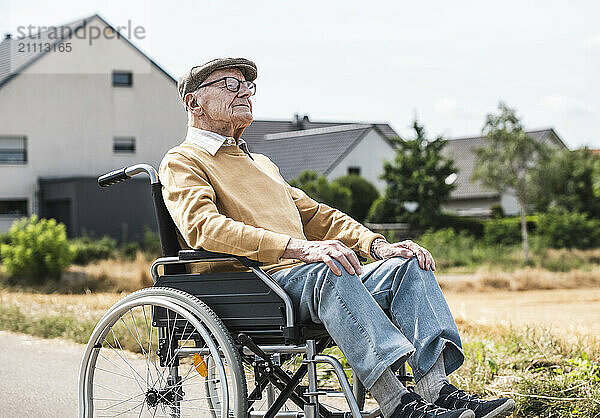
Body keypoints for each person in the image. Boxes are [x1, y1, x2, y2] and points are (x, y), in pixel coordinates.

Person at [159, 58, 516, 418]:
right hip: (254, 284)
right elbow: (203, 228)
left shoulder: (260, 163)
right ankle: (398, 404)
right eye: (230, 85)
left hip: (302, 279)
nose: (245, 93)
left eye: (248, 86)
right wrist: (301, 248)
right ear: (194, 103)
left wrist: (377, 246)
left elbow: (317, 216)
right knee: (329, 267)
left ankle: (436, 392)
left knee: (408, 265)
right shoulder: (183, 161)